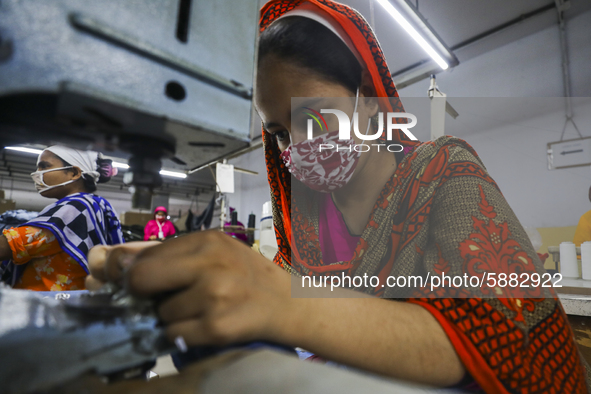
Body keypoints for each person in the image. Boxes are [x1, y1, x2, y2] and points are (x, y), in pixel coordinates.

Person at [85, 1, 589, 392]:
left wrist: (278, 300)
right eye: (280, 131)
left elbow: (499, 331)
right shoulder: (303, 216)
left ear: (369, 102)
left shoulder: (442, 171)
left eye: (315, 117)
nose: (297, 147)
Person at [0, 146, 124, 291]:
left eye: (44, 166)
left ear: (74, 173)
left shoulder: (77, 206)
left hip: (48, 304)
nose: (37, 173)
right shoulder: (95, 204)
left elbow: (11, 245)